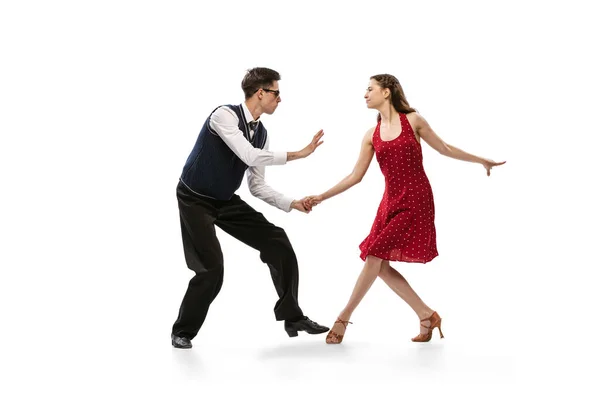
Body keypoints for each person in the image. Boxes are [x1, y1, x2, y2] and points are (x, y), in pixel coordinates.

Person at [304, 74, 505, 344]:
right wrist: (321, 196)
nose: (365, 94)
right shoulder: (371, 135)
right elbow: (355, 176)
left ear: (386, 92)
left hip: (416, 199)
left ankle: (343, 317)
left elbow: (444, 148)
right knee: (379, 264)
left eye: (370, 89)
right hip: (389, 202)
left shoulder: (413, 121)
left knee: (374, 256)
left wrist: (482, 160)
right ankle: (426, 315)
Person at [171, 67, 329, 349]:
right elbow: (247, 154)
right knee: (211, 270)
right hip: (194, 198)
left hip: (224, 199)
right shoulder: (224, 115)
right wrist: (300, 154)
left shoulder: (262, 133)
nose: (279, 99)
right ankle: (182, 331)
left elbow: (256, 185)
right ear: (260, 93)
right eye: (276, 93)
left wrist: (292, 203)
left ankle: (292, 317)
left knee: (277, 240)